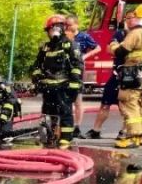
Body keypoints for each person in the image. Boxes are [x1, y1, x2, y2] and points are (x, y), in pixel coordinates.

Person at [111, 2, 142, 148]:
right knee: (139, 103)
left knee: (128, 102)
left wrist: (113, 46)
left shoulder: (136, 33)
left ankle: (132, 136)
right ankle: (141, 135)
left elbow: (121, 51)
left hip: (132, 72)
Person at [30, 14, 83, 146]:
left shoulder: (70, 45)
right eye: (50, 29)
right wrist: (37, 78)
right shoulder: (45, 47)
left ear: (62, 28)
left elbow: (77, 65)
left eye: (56, 28)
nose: (53, 31)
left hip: (63, 86)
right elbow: (36, 66)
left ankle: (66, 137)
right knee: (48, 113)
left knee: (65, 112)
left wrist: (74, 84)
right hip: (48, 87)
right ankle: (50, 135)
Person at [82, 26, 127, 139]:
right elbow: (108, 49)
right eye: (127, 18)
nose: (129, 21)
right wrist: (120, 49)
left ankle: (125, 131)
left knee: (125, 106)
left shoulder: (136, 35)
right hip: (116, 74)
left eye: (132, 18)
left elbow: (123, 51)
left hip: (129, 76)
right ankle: (96, 130)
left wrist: (118, 48)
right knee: (105, 104)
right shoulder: (119, 33)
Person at [66, 15, 102, 137]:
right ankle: (65, 126)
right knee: (65, 100)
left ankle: (77, 127)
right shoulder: (64, 37)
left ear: (77, 24)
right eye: (66, 25)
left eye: (70, 25)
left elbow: (98, 48)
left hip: (77, 71)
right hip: (64, 71)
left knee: (77, 100)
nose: (68, 27)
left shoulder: (84, 37)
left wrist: (85, 56)